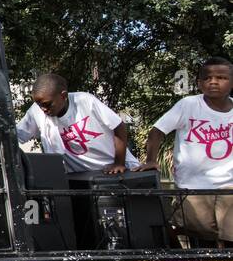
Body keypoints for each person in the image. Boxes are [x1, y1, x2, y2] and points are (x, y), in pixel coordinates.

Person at [141, 56, 233, 246]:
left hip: (229, 185)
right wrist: (151, 160)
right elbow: (157, 131)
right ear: (199, 83)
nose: (213, 82)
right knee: (202, 236)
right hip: (194, 185)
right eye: (207, 78)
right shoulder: (189, 105)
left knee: (229, 236)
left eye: (221, 77)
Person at [16, 74, 140, 174]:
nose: (43, 109)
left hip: (115, 170)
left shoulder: (85, 101)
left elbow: (119, 126)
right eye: (39, 105)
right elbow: (14, 136)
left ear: (63, 96)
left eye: (47, 104)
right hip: (82, 177)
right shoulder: (36, 112)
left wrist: (119, 163)